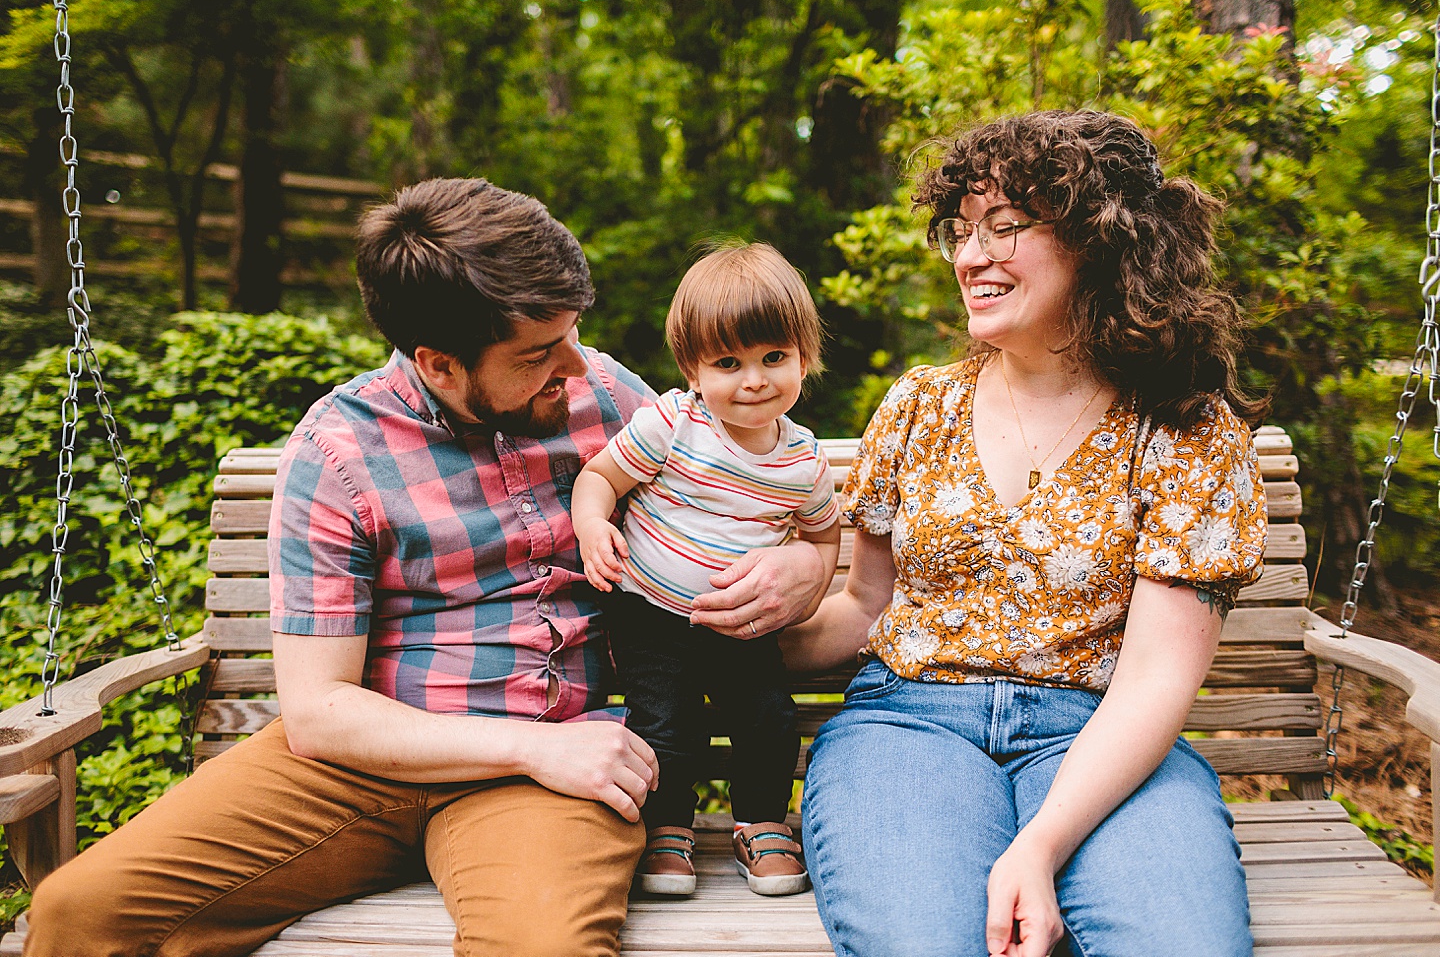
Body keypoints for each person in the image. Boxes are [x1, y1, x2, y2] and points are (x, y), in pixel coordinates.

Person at [22, 179, 829, 957]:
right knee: (79, 913)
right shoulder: (338, 454)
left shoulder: (612, 399)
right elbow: (319, 713)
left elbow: (731, 506)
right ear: (440, 363)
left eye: (574, 334)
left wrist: (798, 565)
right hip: (361, 768)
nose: (578, 368)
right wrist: (527, 748)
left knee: (539, 947)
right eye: (540, 353)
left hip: (542, 781)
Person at [784, 111, 1268, 957]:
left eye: (1007, 228)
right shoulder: (919, 406)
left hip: (1100, 732)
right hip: (909, 727)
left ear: (1102, 242)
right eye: (963, 233)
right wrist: (721, 626)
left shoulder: (1185, 428)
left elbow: (1155, 678)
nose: (973, 257)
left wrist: (1039, 846)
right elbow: (865, 606)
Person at [572, 242, 840, 898]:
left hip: (739, 621)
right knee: (664, 722)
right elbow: (599, 478)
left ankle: (761, 824)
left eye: (773, 357)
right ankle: (668, 829)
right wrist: (592, 526)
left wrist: (802, 582)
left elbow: (824, 539)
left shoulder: (803, 462)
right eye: (728, 363)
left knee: (768, 718)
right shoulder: (673, 425)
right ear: (693, 370)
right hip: (650, 613)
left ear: (804, 356)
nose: (753, 379)